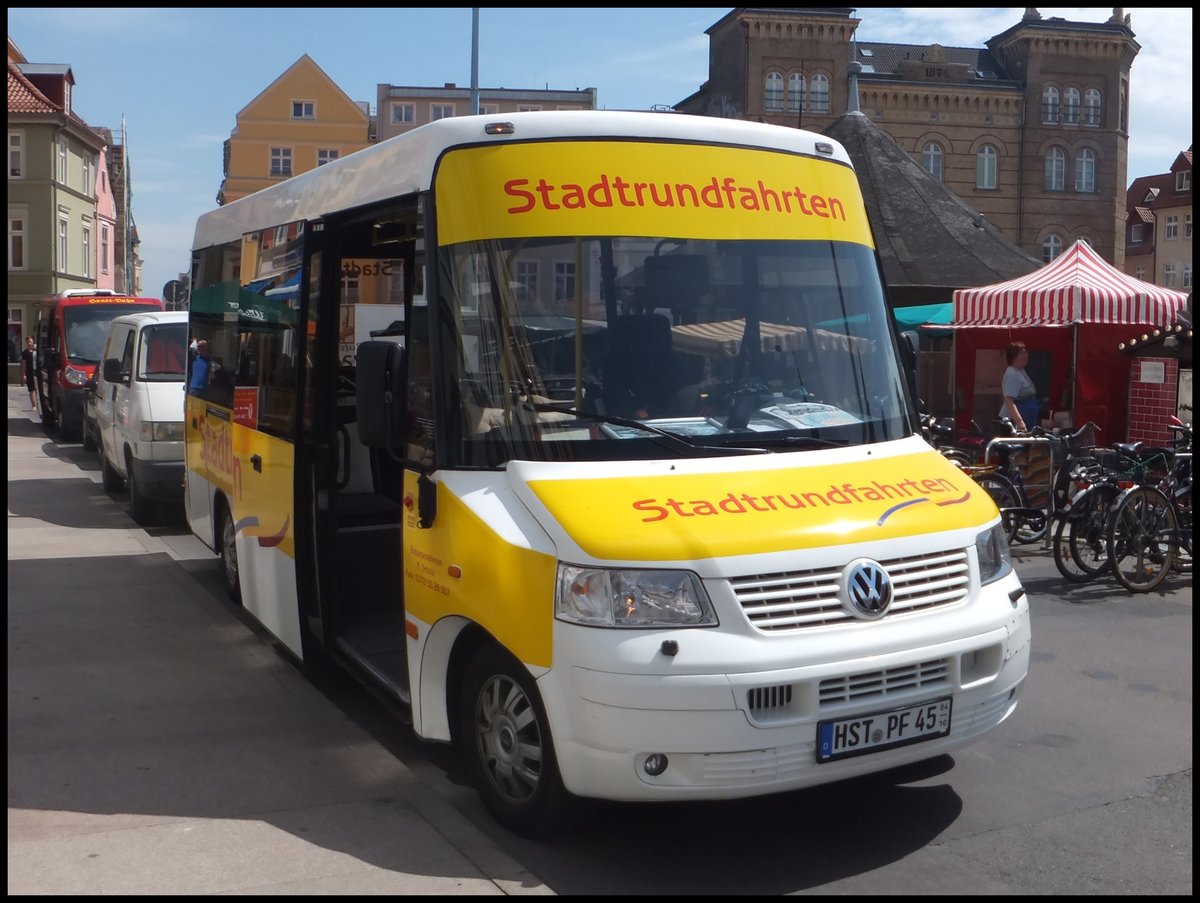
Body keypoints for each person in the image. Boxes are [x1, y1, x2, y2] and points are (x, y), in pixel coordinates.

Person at [999, 341, 1040, 433]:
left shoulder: (1020, 370)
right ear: (1013, 357)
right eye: (1022, 353)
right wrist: (1019, 422)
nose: (1026, 355)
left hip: (1027, 419)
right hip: (1014, 423)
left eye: (1026, 352)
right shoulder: (1012, 374)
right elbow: (1008, 401)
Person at [20, 336, 37, 410]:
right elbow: (23, 364)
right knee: (31, 389)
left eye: (31, 341)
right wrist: (24, 374)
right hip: (29, 373)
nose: (29, 343)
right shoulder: (25, 353)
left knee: (37, 389)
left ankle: (38, 403)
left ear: (33, 342)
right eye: (28, 342)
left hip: (37, 373)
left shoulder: (37, 352)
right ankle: (34, 405)